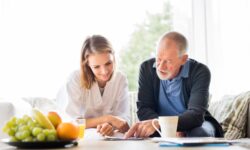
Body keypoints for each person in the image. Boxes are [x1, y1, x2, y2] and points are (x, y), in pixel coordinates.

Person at [125, 31, 223, 138]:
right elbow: (144, 108)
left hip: (195, 125)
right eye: (159, 59)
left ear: (183, 59)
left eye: (168, 61)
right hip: (158, 125)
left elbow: (196, 115)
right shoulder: (146, 69)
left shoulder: (200, 71)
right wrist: (166, 127)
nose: (161, 67)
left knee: (199, 134)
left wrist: (171, 126)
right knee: (143, 133)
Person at [63, 35, 130, 136]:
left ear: (114, 58)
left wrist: (110, 126)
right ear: (87, 65)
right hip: (83, 138)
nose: (104, 71)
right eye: (96, 67)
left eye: (108, 63)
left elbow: (123, 121)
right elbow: (71, 122)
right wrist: (107, 119)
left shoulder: (120, 79)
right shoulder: (75, 79)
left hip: (111, 139)